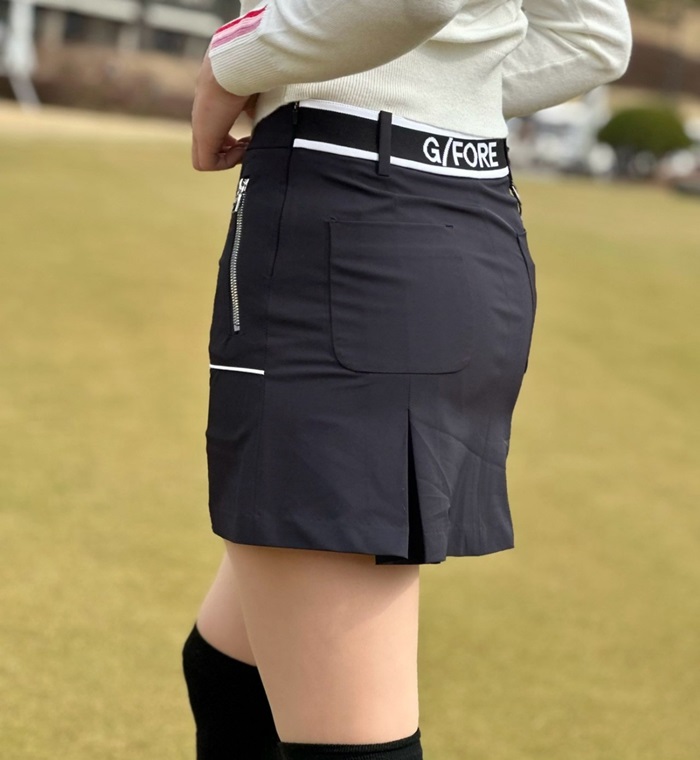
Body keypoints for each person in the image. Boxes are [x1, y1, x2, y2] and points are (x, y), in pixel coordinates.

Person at [182, 2, 632, 759]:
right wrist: (440, 88)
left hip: (348, 233)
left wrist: (230, 63)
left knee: (345, 745)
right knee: (230, 670)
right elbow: (592, 38)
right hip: (457, 226)